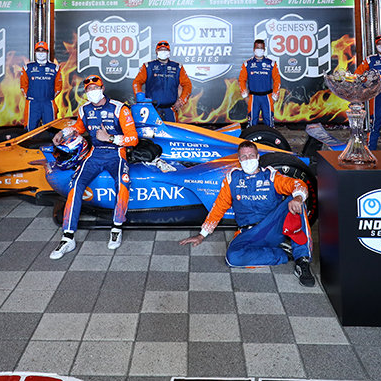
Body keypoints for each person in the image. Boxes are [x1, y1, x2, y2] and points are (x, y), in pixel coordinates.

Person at [179, 140, 315, 287]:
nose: (248, 160)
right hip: (249, 233)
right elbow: (219, 207)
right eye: (244, 157)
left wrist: (298, 197)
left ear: (257, 157)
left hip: (274, 227)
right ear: (239, 160)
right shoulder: (232, 179)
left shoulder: (270, 176)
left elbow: (298, 184)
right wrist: (201, 235)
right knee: (232, 258)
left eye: (251, 155)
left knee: (296, 201)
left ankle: (302, 260)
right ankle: (282, 254)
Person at [50, 75, 139, 258]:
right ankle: (68, 237)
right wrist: (62, 132)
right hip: (95, 154)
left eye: (95, 88)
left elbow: (133, 139)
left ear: (102, 88)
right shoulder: (84, 109)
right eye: (89, 89)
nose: (92, 92)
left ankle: (117, 227)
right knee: (75, 186)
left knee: (122, 184)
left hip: (117, 153)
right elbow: (79, 128)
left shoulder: (119, 108)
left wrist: (111, 138)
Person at [132, 40, 192, 122]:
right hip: (152, 109)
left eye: (165, 50)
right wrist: (141, 100)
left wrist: (181, 101)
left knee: (172, 133)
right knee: (151, 133)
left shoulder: (178, 67)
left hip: (170, 109)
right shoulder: (148, 66)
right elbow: (136, 83)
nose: (163, 52)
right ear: (156, 52)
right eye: (160, 50)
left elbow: (187, 85)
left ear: (169, 52)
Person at [238, 39, 281, 127]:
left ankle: (270, 139)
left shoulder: (271, 63)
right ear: (253, 49)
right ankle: (251, 140)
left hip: (267, 97)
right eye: (257, 48)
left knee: (269, 122)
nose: (259, 50)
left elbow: (277, 80)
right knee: (252, 123)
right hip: (253, 97)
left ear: (264, 49)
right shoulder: (247, 64)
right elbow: (241, 80)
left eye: (261, 48)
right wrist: (245, 96)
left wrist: (274, 96)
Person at [21, 41, 62, 131]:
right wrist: (31, 96)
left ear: (47, 52)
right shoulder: (27, 68)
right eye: (38, 50)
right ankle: (30, 144)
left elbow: (58, 86)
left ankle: (50, 144)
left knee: (51, 128)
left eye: (43, 51)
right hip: (33, 103)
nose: (41, 53)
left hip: (48, 102)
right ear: (35, 52)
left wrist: (49, 96)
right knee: (30, 130)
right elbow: (23, 85)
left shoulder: (55, 68)